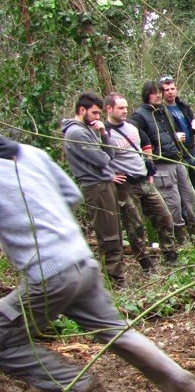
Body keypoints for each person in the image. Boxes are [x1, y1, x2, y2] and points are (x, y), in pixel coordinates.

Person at [0, 135, 195, 392]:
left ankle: (73, 385)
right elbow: (72, 195)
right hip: (81, 260)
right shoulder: (32, 153)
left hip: (48, 274)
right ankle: (187, 386)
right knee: (117, 331)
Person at [104, 92, 178, 273]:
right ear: (109, 109)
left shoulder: (132, 125)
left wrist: (149, 164)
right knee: (135, 226)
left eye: (126, 107)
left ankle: (170, 255)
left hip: (144, 179)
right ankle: (146, 265)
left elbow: (146, 143)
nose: (125, 111)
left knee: (165, 216)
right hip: (126, 185)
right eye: (121, 108)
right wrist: (110, 175)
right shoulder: (104, 133)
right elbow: (97, 158)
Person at [61, 92, 125, 284]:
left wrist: (104, 134)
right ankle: (114, 279)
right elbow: (103, 159)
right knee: (108, 233)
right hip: (95, 187)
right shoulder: (77, 133)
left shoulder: (88, 129)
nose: (98, 118)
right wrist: (104, 148)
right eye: (95, 113)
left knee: (114, 230)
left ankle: (116, 275)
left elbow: (110, 154)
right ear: (82, 110)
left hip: (103, 184)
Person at [131, 81, 195, 245]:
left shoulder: (163, 111)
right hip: (161, 164)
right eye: (154, 92)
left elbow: (170, 132)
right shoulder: (140, 116)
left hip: (176, 158)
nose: (158, 95)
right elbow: (139, 139)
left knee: (190, 197)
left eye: (159, 92)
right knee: (173, 202)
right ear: (146, 95)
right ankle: (180, 237)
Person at [159, 75, 195, 237]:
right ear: (161, 93)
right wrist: (173, 137)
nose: (170, 92)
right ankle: (190, 225)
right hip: (177, 155)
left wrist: (194, 127)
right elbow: (160, 135)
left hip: (191, 151)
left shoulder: (183, 107)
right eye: (166, 90)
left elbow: (190, 125)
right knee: (186, 193)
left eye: (172, 88)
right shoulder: (161, 112)